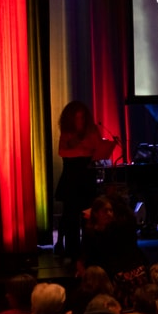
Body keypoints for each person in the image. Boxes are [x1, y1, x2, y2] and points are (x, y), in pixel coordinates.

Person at [55, 100, 115, 260]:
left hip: (87, 178)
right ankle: (71, 252)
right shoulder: (67, 131)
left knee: (88, 217)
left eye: (82, 117)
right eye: (77, 117)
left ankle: (88, 250)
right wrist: (83, 150)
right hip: (71, 179)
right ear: (70, 118)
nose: (80, 120)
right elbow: (62, 152)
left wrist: (82, 150)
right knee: (71, 217)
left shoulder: (92, 130)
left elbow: (95, 149)